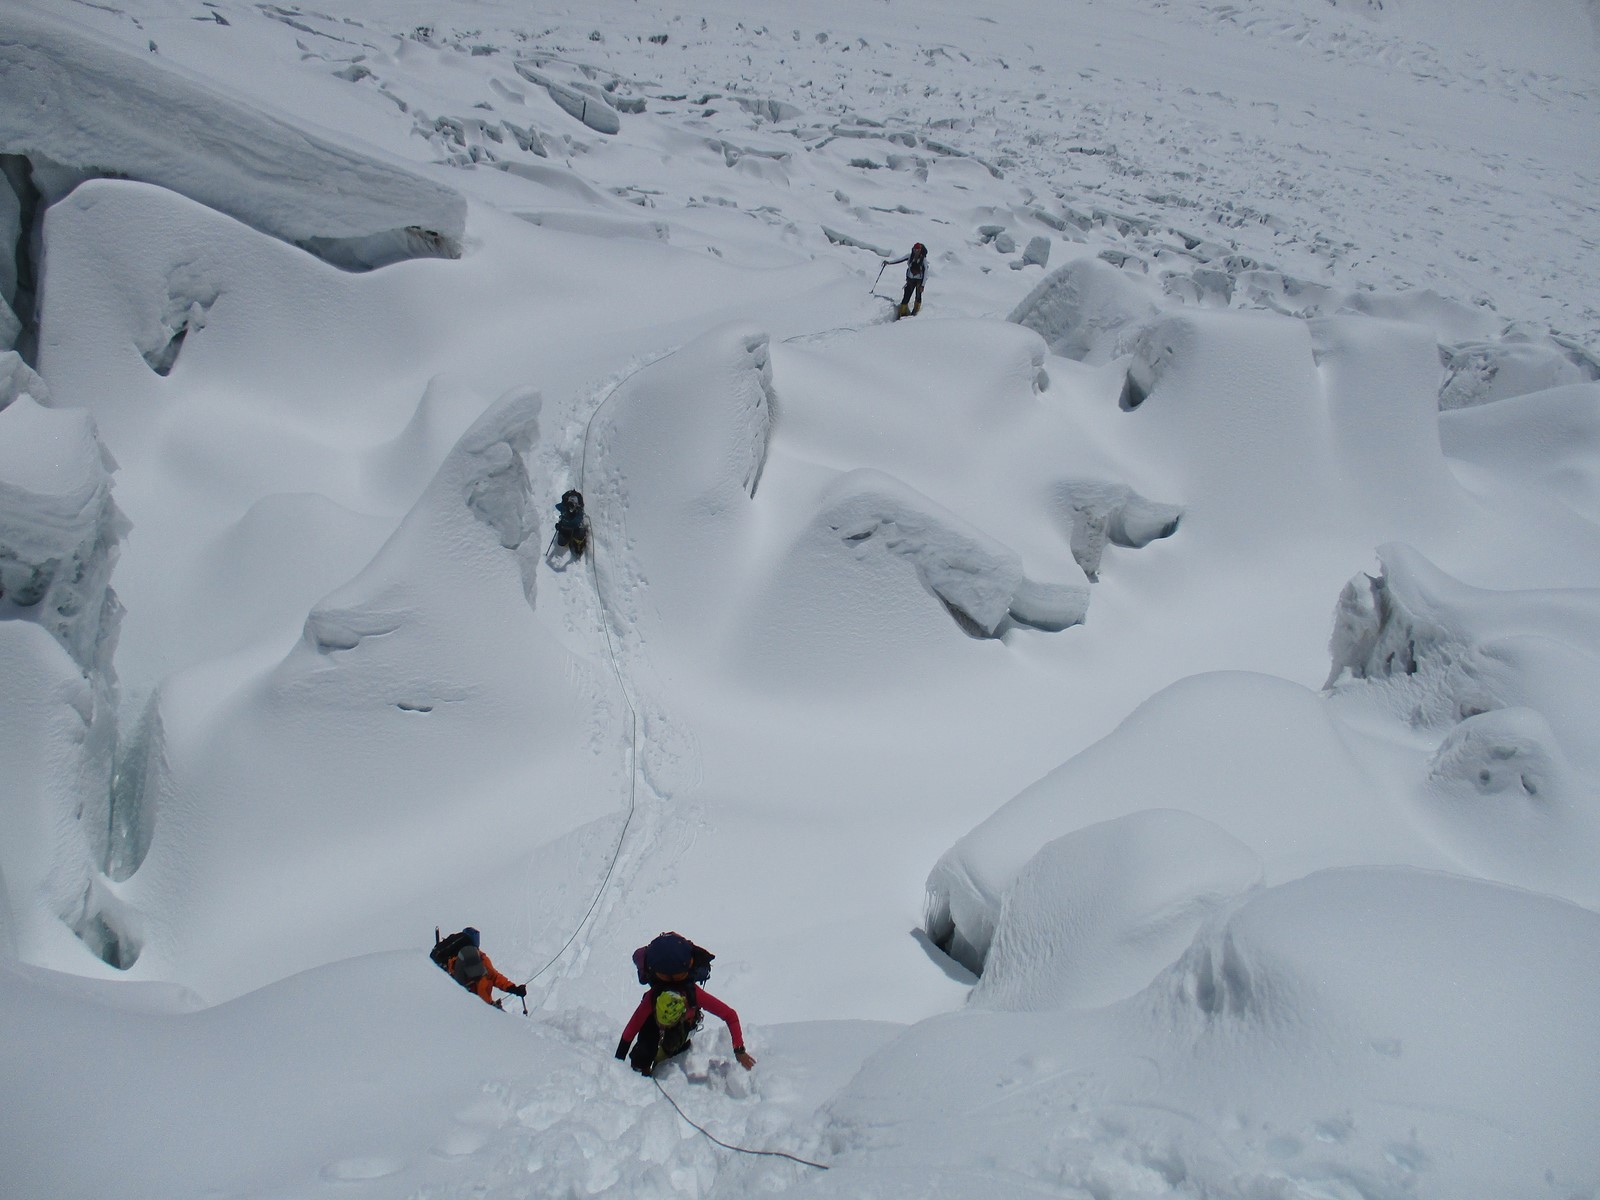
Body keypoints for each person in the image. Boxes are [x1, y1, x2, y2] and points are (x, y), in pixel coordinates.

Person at [615, 932, 755, 1076]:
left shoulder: (657, 996)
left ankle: (666, 1052)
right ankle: (654, 1058)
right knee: (645, 1053)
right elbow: (729, 1015)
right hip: (674, 1024)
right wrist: (739, 1050)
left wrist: (618, 1059)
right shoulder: (689, 993)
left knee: (664, 1045)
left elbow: (631, 1029)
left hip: (677, 1026)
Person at [437, 928, 525, 1009]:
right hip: (469, 1008)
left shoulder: (480, 959)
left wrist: (514, 988)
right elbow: (494, 977)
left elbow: (494, 977)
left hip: (484, 1008)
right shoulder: (454, 963)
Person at [883, 242, 928, 317]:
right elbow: (899, 260)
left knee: (918, 296)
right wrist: (889, 263)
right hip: (910, 280)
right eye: (915, 249)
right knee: (906, 296)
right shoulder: (910, 256)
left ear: (920, 250)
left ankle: (916, 311)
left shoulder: (923, 260)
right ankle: (903, 313)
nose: (916, 251)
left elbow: (926, 272)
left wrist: (922, 285)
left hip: (919, 281)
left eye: (918, 250)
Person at [554, 489, 588, 559]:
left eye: (573, 504)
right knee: (561, 543)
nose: (571, 507)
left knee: (579, 538)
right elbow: (557, 506)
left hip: (575, 528)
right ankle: (572, 540)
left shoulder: (579, 511)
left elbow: (579, 519)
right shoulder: (564, 508)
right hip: (565, 528)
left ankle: (577, 543)